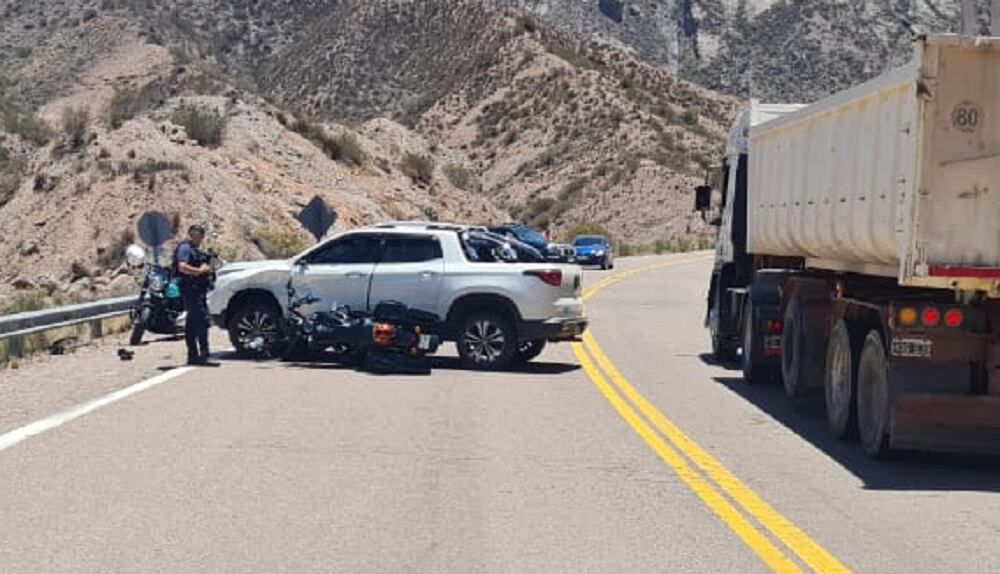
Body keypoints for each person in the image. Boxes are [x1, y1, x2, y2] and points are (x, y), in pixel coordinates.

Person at [173, 225, 219, 367]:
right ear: (190, 234)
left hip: (197, 290)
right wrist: (199, 271)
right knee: (201, 321)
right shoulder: (185, 248)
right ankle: (204, 355)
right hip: (191, 290)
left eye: (199, 235)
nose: (197, 238)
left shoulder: (195, 250)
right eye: (194, 234)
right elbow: (182, 266)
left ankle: (193, 355)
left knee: (192, 323)